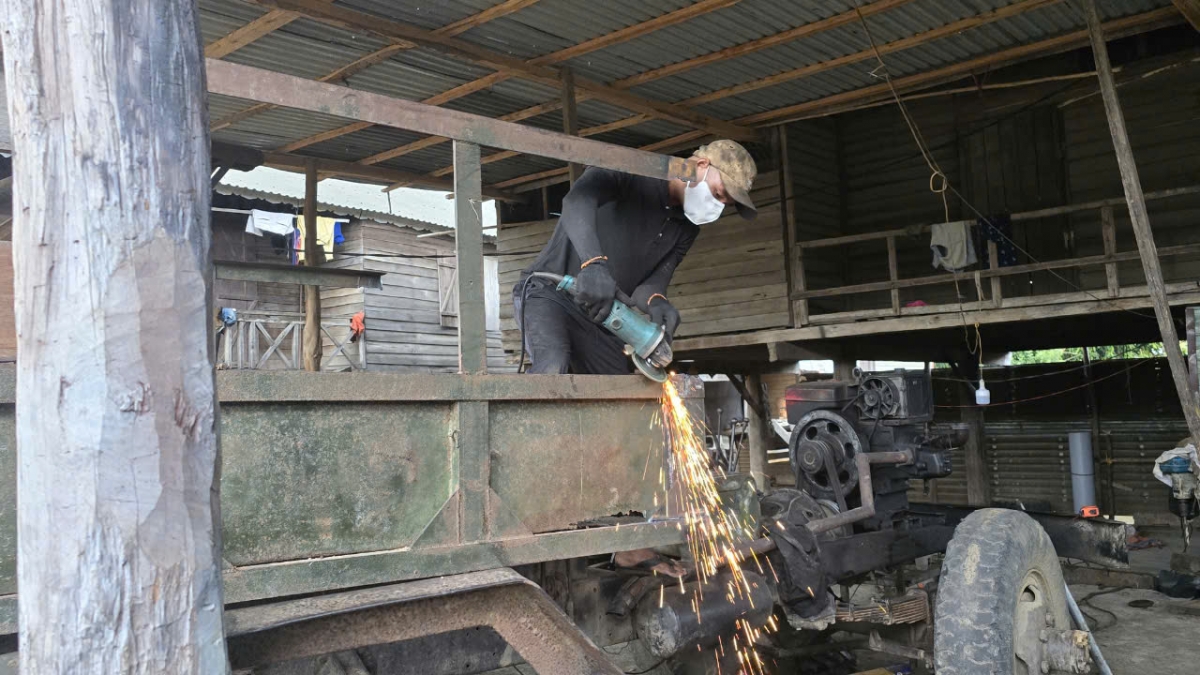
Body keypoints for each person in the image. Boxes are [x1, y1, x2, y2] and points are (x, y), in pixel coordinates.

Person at [515, 140, 759, 374]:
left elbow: (652, 282)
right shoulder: (634, 169)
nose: (717, 206)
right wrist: (593, 264)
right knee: (552, 363)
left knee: (619, 395)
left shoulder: (686, 228)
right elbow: (576, 200)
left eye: (724, 203)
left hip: (599, 314)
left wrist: (657, 301)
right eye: (718, 194)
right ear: (702, 166)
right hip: (548, 291)